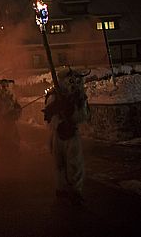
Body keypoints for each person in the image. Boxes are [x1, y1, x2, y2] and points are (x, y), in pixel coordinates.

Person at [43, 67, 90, 206]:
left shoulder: (80, 98)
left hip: (72, 134)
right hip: (57, 134)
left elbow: (83, 116)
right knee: (59, 164)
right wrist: (57, 112)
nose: (73, 84)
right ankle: (61, 188)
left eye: (76, 81)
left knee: (75, 164)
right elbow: (48, 117)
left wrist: (72, 111)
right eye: (70, 80)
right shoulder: (54, 96)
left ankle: (76, 191)